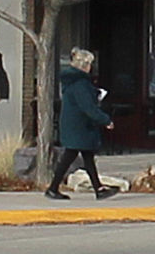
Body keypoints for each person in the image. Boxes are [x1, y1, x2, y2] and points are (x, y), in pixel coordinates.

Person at [47, 47, 119, 201]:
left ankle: (98, 189)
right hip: (80, 126)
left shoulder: (73, 82)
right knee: (73, 156)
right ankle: (53, 188)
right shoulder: (80, 84)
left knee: (85, 156)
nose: (91, 67)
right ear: (85, 65)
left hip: (74, 124)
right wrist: (105, 120)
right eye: (90, 64)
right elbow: (88, 107)